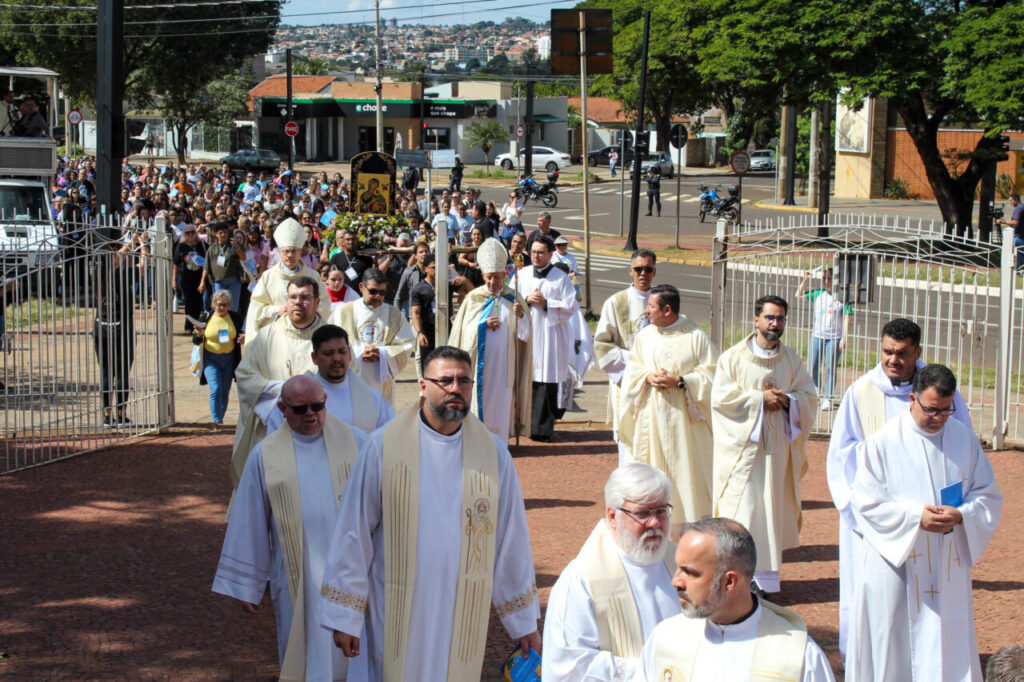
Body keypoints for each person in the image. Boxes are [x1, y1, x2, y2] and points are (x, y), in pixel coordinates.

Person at [319, 346, 541, 681]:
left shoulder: (493, 453)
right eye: (445, 380)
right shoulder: (383, 447)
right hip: (394, 603)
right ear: (423, 386)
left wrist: (524, 622)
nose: (456, 389)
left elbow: (511, 539)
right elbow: (353, 531)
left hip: (461, 606)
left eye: (464, 381)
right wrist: (344, 615)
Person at [826, 317, 971, 659]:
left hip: (928, 518)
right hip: (876, 516)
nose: (892, 360)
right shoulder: (861, 392)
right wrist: (860, 511)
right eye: (887, 351)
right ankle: (867, 661)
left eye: (902, 353)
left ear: (918, 352)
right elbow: (841, 457)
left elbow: (962, 446)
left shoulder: (938, 390)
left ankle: (926, 660)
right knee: (875, 597)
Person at [846, 364, 1002, 682]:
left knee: (947, 640)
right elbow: (865, 503)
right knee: (894, 644)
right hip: (897, 562)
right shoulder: (883, 442)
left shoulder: (964, 439)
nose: (939, 418)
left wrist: (963, 514)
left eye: (946, 410)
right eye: (931, 410)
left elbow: (987, 494)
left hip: (947, 563)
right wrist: (916, 518)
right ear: (912, 400)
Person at [213, 375, 364, 681]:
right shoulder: (265, 455)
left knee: (355, 660)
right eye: (300, 409)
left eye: (317, 406)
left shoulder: (358, 442)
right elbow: (250, 519)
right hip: (297, 572)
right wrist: (249, 583)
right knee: (306, 652)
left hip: (352, 571)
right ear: (282, 409)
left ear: (325, 401)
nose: (310, 414)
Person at [634, 517, 836, 682]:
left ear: (729, 582)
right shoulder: (665, 639)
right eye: (678, 568)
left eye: (690, 572)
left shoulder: (798, 656)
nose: (676, 581)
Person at [710, 295, 817, 594]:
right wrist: (759, 400)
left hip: (775, 454)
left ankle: (764, 581)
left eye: (780, 318)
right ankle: (735, 580)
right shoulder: (733, 358)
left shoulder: (791, 360)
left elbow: (809, 398)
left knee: (769, 512)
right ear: (756, 320)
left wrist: (788, 400)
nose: (775, 323)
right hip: (742, 454)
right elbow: (720, 400)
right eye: (769, 317)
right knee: (742, 511)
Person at [543, 463, 681, 681]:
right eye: (643, 513)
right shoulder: (580, 581)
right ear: (613, 516)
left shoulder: (682, 563)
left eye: (661, 511)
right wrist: (657, 673)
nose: (655, 522)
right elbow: (571, 666)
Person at [618, 284, 718, 538]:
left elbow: (713, 376)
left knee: (686, 475)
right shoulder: (645, 336)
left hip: (685, 426)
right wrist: (647, 377)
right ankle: (649, 526)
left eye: (651, 306)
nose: (646, 311)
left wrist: (681, 381)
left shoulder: (696, 337)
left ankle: (687, 533)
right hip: (651, 419)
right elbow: (633, 369)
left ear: (667, 310)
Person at [230, 277, 326, 487]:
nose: (298, 302)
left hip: (320, 432)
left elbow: (347, 378)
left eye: (305, 297)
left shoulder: (330, 338)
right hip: (274, 428)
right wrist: (278, 389)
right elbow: (244, 374)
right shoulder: (267, 337)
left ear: (317, 302)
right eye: (293, 297)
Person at [449, 238, 531, 439]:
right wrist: (481, 325)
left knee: (502, 404)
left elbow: (525, 336)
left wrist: (521, 316)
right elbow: (462, 332)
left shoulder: (514, 298)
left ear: (504, 275)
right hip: (480, 366)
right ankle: (478, 443)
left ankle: (500, 444)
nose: (493, 282)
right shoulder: (474, 298)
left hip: (505, 366)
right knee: (480, 402)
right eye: (489, 278)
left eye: (497, 278)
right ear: (483, 276)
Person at [264, 325, 394, 436]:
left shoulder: (371, 397)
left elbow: (388, 436)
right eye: (328, 353)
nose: (337, 358)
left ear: (349, 355)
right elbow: (275, 440)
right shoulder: (295, 396)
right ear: (315, 358)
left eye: (342, 352)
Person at [594, 249, 656, 465]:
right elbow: (602, 345)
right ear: (630, 271)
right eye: (638, 269)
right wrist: (636, 362)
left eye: (648, 269)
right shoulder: (616, 302)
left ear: (654, 272)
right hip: (628, 380)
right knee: (630, 440)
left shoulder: (663, 299)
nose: (643, 274)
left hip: (657, 382)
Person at [516, 234, 578, 442]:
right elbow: (511, 300)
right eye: (533, 252)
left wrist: (546, 304)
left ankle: (542, 429)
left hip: (552, 336)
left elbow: (570, 307)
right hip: (528, 333)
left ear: (551, 254)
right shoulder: (522, 275)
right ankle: (524, 424)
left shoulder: (561, 278)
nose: (536, 256)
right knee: (528, 378)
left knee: (547, 380)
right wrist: (525, 300)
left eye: (541, 252)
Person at [328, 268, 416, 406]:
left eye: (382, 292)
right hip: (349, 379)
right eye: (373, 291)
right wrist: (358, 353)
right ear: (361, 287)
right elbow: (329, 342)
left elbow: (407, 344)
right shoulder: (343, 312)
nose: (378, 297)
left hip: (381, 382)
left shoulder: (394, 315)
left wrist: (382, 353)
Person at [246, 218, 331, 342]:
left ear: (300, 252)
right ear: (280, 253)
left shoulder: (313, 276)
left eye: (294, 251)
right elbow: (256, 308)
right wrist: (277, 311)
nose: (290, 255)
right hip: (277, 337)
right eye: (286, 251)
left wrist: (306, 312)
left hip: (306, 337)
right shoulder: (268, 277)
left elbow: (324, 303)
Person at [93, 240, 137, 428]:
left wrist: (130, 243)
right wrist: (141, 244)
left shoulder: (97, 276)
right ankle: (120, 414)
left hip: (101, 328)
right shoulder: (123, 275)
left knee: (105, 372)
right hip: (121, 329)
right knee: (121, 373)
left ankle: (106, 416)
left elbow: (120, 255)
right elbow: (143, 265)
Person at [795, 267, 851, 409]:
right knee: (813, 365)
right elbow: (798, 295)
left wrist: (844, 338)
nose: (825, 281)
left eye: (829, 278)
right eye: (824, 278)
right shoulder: (818, 294)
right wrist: (806, 279)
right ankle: (817, 388)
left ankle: (828, 397)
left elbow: (846, 317)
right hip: (818, 335)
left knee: (830, 368)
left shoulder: (842, 297)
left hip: (834, 337)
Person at [193, 290, 243, 425]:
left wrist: (243, 338)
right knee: (215, 388)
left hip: (229, 359)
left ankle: (220, 416)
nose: (222, 308)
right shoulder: (206, 317)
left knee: (225, 391)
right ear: (214, 304)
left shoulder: (235, 318)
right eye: (219, 304)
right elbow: (195, 341)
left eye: (225, 305)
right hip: (210, 359)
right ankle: (217, 420)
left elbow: (241, 334)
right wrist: (198, 334)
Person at [200, 221, 244, 313]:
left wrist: (237, 247)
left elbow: (243, 258)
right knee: (219, 305)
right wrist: (202, 281)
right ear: (216, 234)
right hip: (218, 281)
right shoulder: (212, 248)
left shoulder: (233, 246)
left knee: (233, 307)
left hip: (234, 280)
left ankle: (232, 322)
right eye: (221, 233)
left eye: (225, 232)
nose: (223, 235)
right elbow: (206, 267)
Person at [172, 224, 206, 333]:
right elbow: (176, 264)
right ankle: (188, 327)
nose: (190, 234)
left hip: (199, 278)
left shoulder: (202, 245)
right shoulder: (181, 246)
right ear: (184, 234)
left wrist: (203, 280)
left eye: (192, 232)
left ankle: (197, 325)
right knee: (189, 302)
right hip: (185, 278)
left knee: (198, 303)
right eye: (187, 233)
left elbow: (207, 263)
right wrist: (174, 280)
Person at [995, 192, 1024, 269]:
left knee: (1017, 254)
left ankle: (1018, 271)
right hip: (1021, 235)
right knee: (1020, 253)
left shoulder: (1019, 208)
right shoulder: (1021, 207)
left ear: (1016, 199)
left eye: (1011, 201)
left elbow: (1016, 222)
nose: (1010, 203)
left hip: (1019, 236)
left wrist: (1003, 222)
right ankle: (1020, 270)